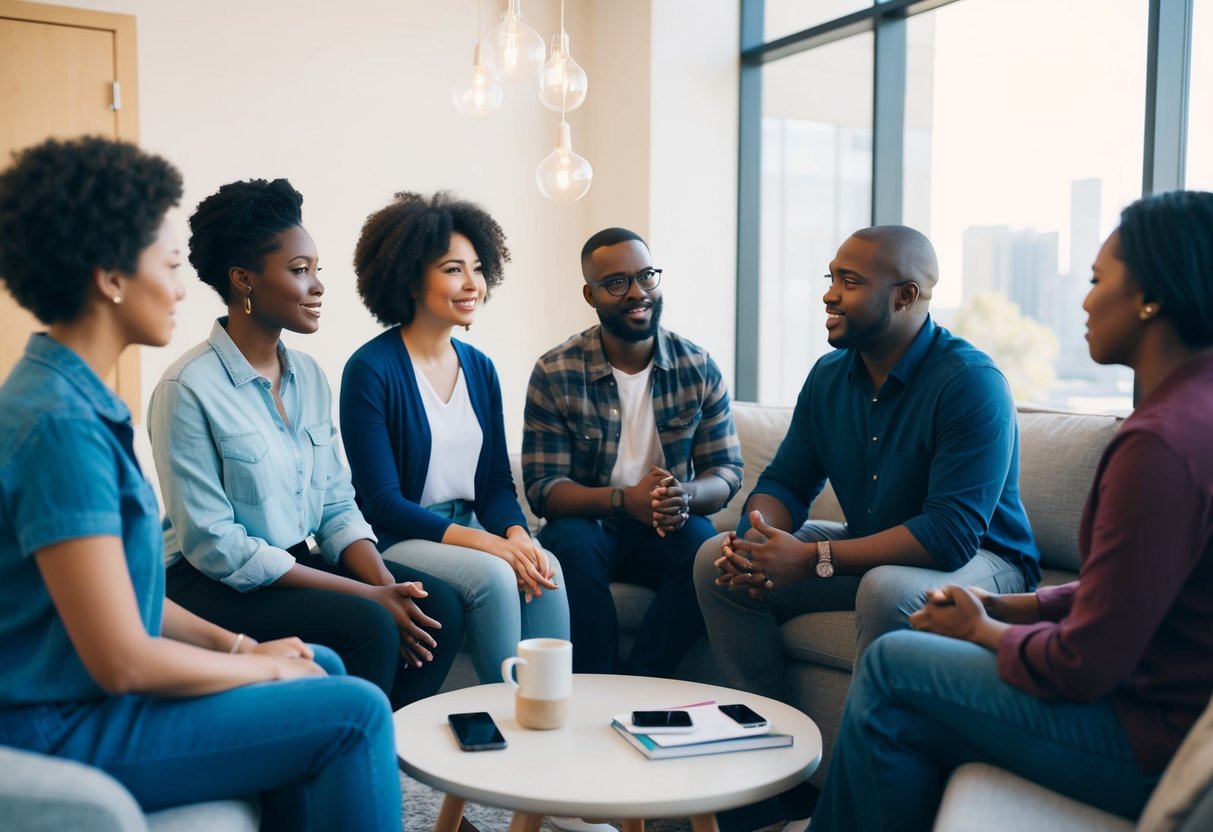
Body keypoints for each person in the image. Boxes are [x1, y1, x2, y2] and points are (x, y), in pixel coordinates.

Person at [0, 136, 399, 829]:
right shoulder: (59, 425)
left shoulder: (72, 399)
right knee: (356, 710)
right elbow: (122, 660)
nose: (185, 287)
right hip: (57, 723)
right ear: (111, 276)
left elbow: (124, 599)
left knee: (325, 662)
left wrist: (243, 649)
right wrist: (262, 670)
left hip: (83, 702)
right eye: (172, 265)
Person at [813, 190, 1213, 831]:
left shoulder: (1159, 444)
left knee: (894, 666)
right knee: (909, 708)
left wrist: (979, 633)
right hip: (1165, 713)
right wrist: (1013, 608)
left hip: (1150, 740)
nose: (1084, 300)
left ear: (1151, 296)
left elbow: (1084, 665)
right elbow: (1135, 590)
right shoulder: (1194, 414)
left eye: (1096, 279)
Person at [149, 178, 464, 710]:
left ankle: (376, 740)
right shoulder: (186, 389)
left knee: (439, 608)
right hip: (206, 582)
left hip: (291, 563)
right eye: (300, 271)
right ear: (243, 281)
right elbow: (215, 546)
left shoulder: (312, 377)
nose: (318, 285)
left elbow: (338, 504)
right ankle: (342, 747)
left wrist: (388, 587)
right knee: (369, 623)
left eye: (317, 269)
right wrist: (368, 597)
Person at [694, 224, 1041, 702]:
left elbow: (950, 534)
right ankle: (763, 733)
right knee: (716, 560)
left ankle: (860, 767)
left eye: (849, 282)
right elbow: (787, 482)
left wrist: (814, 557)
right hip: (873, 548)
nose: (829, 296)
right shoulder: (828, 376)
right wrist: (759, 535)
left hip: (985, 559)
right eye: (831, 278)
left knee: (884, 590)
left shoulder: (971, 382)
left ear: (905, 296)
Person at [341, 190, 569, 684]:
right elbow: (381, 502)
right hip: (397, 538)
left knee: (543, 565)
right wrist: (488, 548)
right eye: (452, 269)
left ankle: (550, 712)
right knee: (493, 576)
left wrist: (514, 535)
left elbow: (493, 485)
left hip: (461, 532)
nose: (473, 284)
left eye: (478, 268)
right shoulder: (370, 370)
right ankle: (501, 712)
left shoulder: (480, 369)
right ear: (409, 276)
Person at [524, 227, 744, 677]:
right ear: (591, 294)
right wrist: (625, 499)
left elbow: (726, 470)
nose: (637, 292)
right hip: (592, 527)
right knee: (568, 540)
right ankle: (597, 680)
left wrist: (681, 495)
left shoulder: (696, 367)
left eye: (646, 276)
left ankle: (646, 680)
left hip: (666, 527)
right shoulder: (556, 370)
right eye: (616, 282)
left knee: (707, 546)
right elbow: (544, 490)